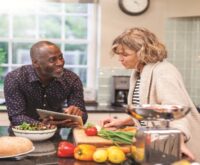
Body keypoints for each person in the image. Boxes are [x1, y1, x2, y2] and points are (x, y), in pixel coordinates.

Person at [101, 27, 200, 161]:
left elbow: (176, 112)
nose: (120, 59)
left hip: (177, 148)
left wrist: (178, 142)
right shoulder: (138, 73)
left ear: (142, 52)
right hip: (158, 146)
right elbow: (154, 111)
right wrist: (124, 121)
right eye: (119, 54)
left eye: (125, 54)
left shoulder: (164, 72)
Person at [4, 41, 88, 128]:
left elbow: (83, 118)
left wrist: (77, 114)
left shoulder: (72, 79)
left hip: (55, 134)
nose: (60, 63)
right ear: (36, 63)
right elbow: (17, 118)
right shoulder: (15, 78)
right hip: (22, 135)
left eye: (61, 57)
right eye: (52, 59)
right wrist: (46, 125)